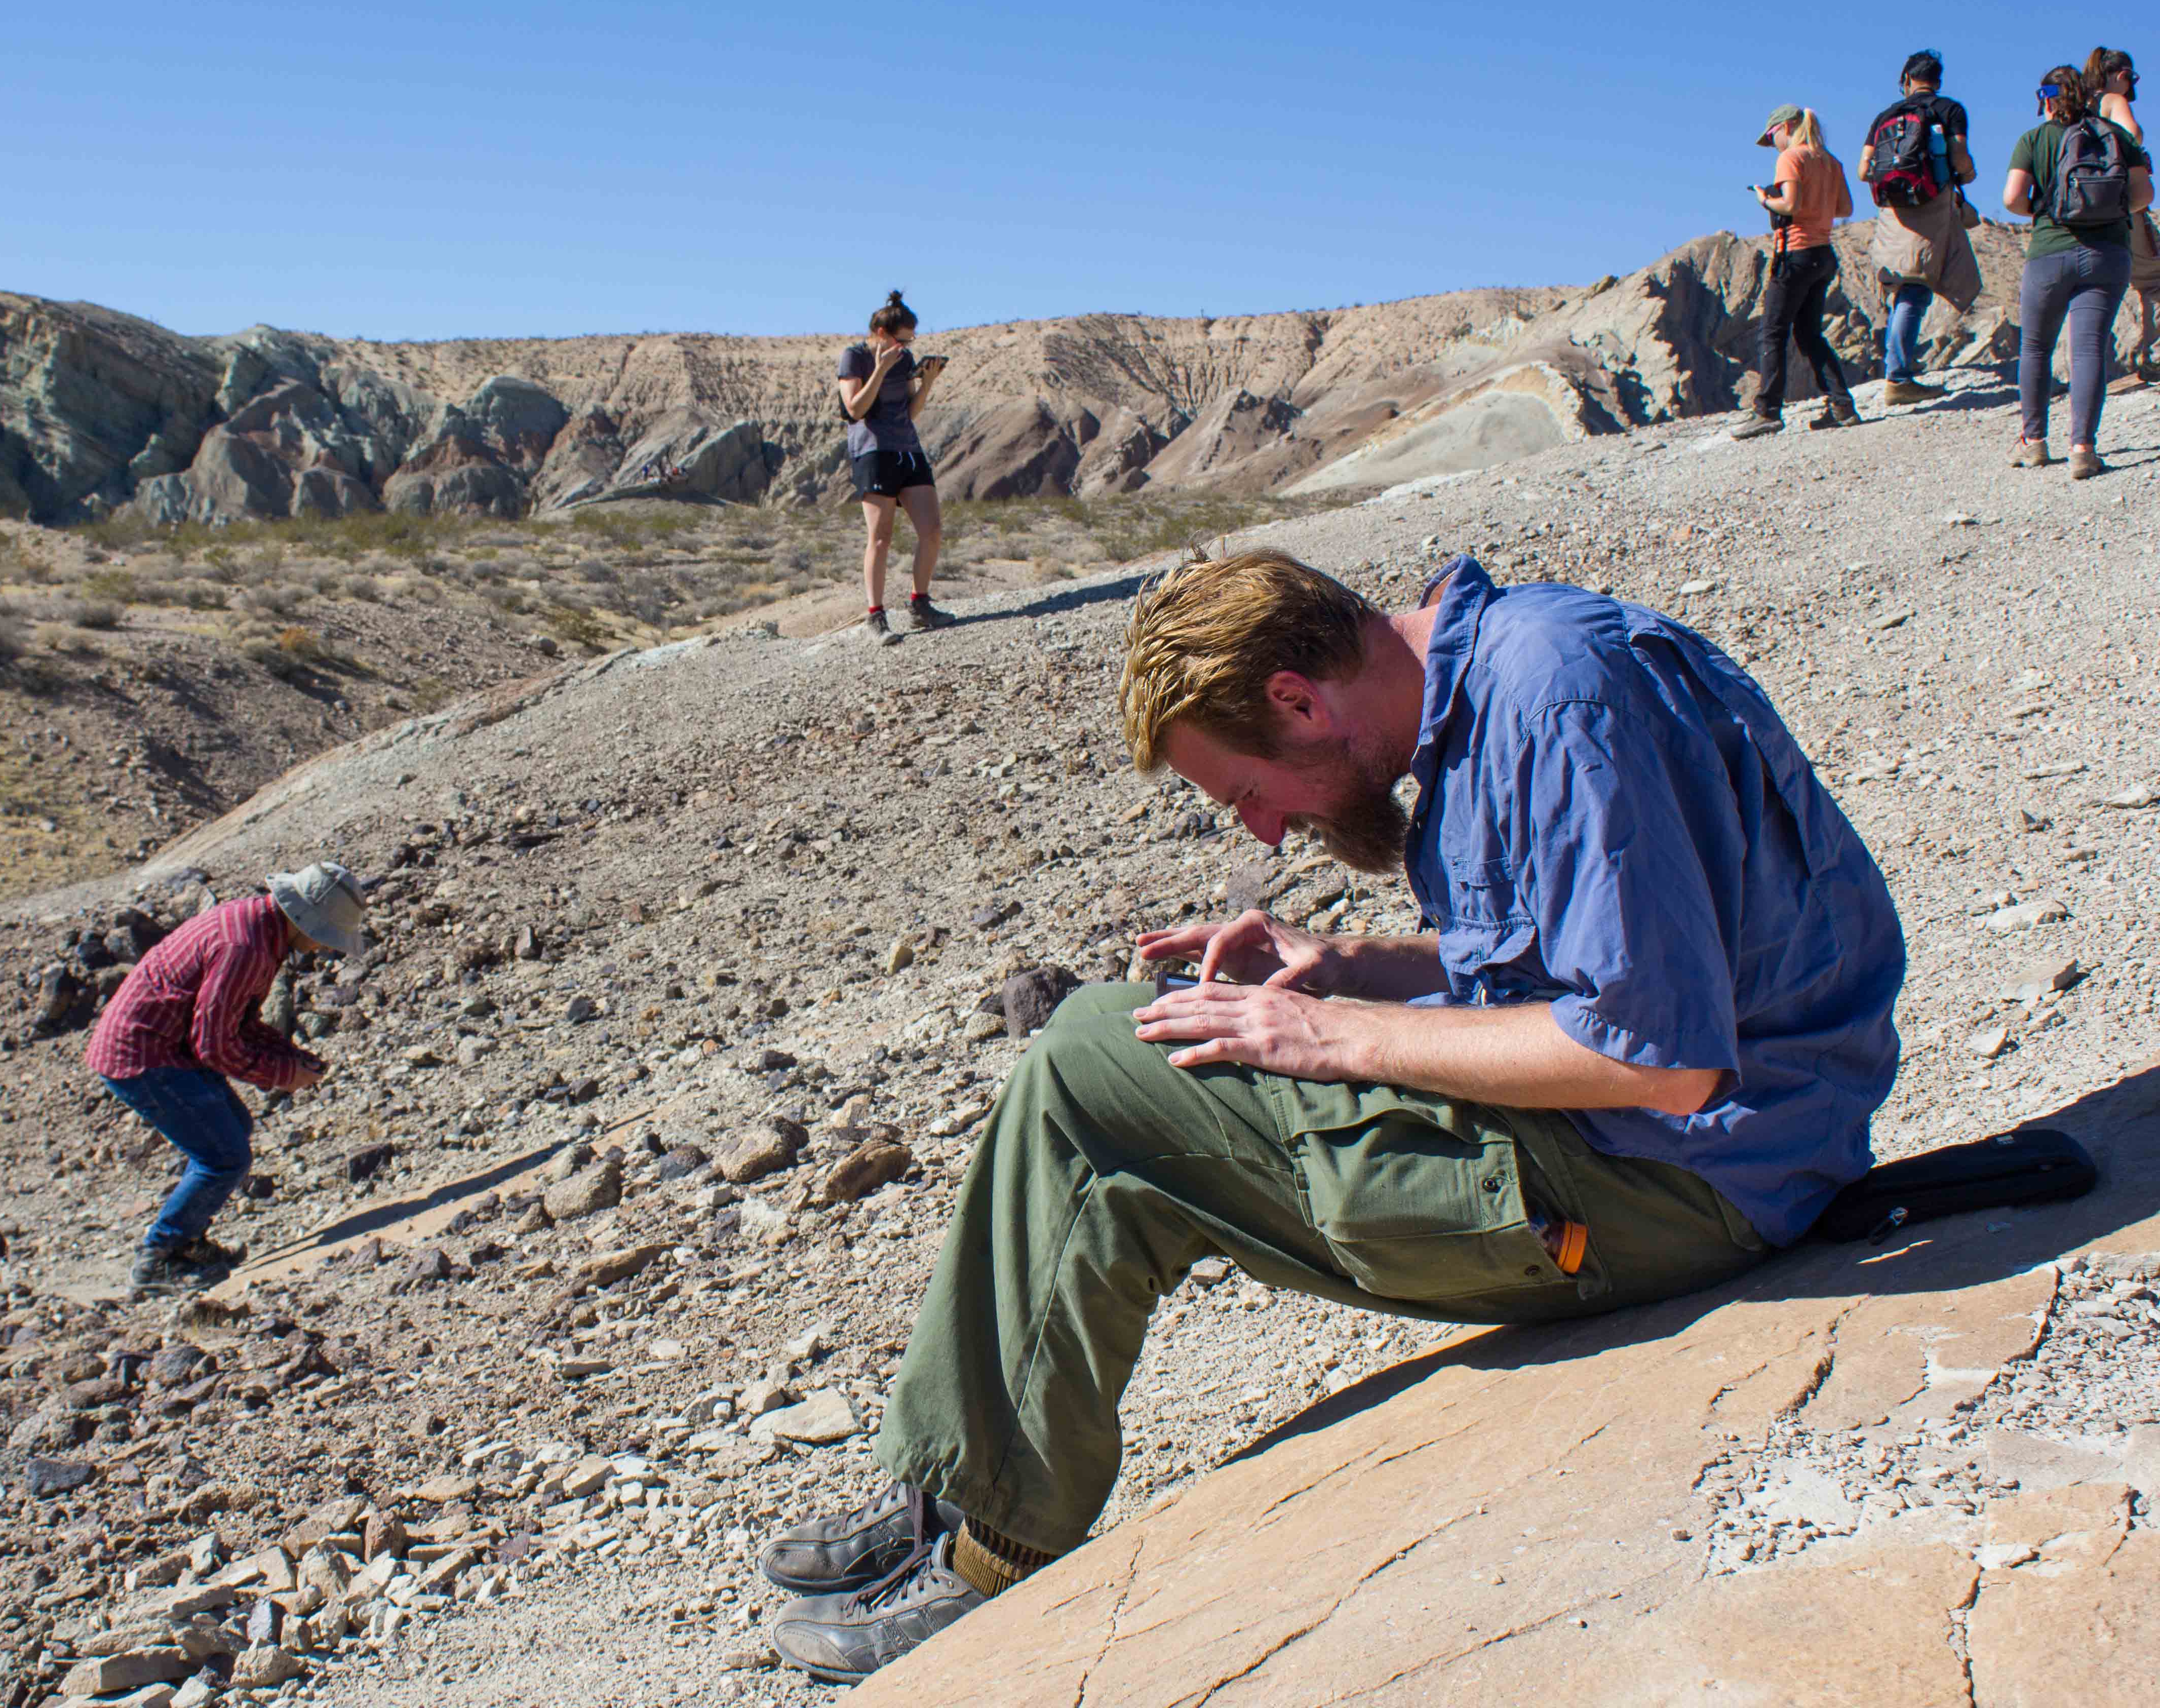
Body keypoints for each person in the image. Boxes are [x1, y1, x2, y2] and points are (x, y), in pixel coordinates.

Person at [756, 550, 1906, 1682]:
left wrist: (1334, 1034)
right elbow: (1563, 966)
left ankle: (987, 1547)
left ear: (1296, 699)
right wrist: (1345, 965)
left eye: (1245, 794)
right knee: (1129, 1034)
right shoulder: (1509, 674)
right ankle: (951, 1493)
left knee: (1088, 1070)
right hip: (1683, 1153)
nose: (1259, 833)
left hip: (1677, 1184)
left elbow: (1657, 1056)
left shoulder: (1557, 700)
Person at [85, 862, 364, 1292]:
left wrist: (289, 1056)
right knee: (224, 1157)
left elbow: (237, 1021)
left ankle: (187, 1242)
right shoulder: (246, 947)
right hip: (144, 1055)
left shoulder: (259, 927)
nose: (321, 949)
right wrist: (284, 1074)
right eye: (323, 937)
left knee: (235, 1130)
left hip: (164, 1045)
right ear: (303, 920)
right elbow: (214, 1045)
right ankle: (159, 1259)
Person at [2005, 65, 2154, 478]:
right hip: (2108, 254)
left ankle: (2034, 443)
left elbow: (2012, 198)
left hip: (2050, 252)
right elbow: (2144, 195)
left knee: (2037, 347)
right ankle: (2083, 449)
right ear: (2089, 97)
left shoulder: (2034, 140)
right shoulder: (2118, 137)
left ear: (2048, 99)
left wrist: (2043, 209)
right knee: (2088, 348)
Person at [1860, 51, 1980, 405]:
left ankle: (1897, 370)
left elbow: (1863, 169)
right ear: (1938, 81)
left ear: (1906, 80)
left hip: (1893, 209)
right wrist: (1968, 175)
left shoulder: (1885, 116)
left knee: (1903, 282)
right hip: (1931, 204)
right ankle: (1897, 378)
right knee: (1916, 287)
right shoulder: (1950, 110)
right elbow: (1959, 157)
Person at [1735, 106, 1860, 438]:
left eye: (1773, 135)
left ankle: (1767, 411)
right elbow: (1846, 208)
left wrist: (1765, 200)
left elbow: (1789, 206)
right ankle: (1842, 406)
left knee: (1773, 332)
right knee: (1809, 335)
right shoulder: (1831, 161)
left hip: (1794, 254)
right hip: (1823, 254)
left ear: (1787, 127)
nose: (1773, 142)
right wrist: (1818, 203)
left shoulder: (1791, 158)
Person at [837, 291, 953, 641]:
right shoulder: (854, 357)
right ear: (882, 334)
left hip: (908, 449)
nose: (908, 345)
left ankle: (920, 604)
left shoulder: (906, 361)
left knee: (931, 530)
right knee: (881, 537)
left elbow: (910, 412)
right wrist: (881, 369)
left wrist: (927, 384)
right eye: (903, 339)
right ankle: (876, 616)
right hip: (873, 452)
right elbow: (855, 409)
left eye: (911, 339)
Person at [2087, 47, 2160, 381]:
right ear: (2121, 76)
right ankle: (2153, 356)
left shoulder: (2076, 103)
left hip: (2078, 210)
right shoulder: (2112, 100)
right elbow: (2134, 133)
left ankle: (2094, 371)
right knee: (2154, 280)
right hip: (2119, 204)